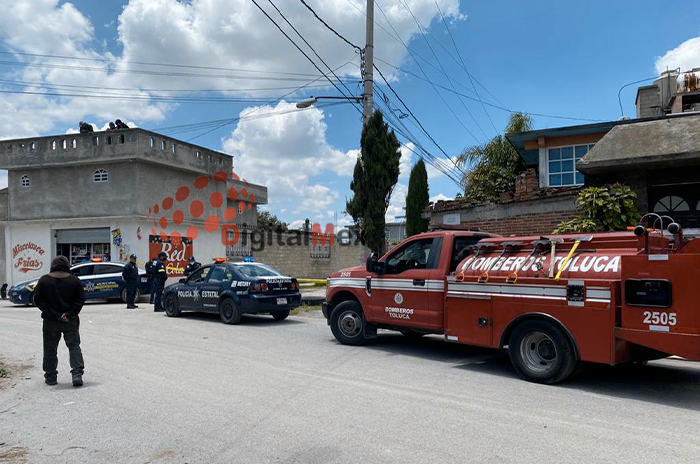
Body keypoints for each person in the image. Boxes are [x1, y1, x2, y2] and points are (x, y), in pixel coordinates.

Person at [33, 256, 86, 387]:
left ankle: (50, 376)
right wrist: (69, 313)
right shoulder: (74, 281)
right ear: (67, 266)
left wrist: (54, 314)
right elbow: (80, 300)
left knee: (50, 348)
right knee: (74, 346)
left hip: (50, 321)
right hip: (70, 320)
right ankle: (77, 373)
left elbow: (38, 299)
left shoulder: (44, 280)